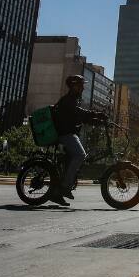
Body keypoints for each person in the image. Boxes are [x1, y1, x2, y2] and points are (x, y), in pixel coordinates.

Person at [51, 74, 106, 206]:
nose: (82, 88)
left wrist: (97, 121)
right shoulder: (69, 100)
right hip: (65, 134)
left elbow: (80, 117)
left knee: (72, 159)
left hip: (69, 133)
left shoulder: (73, 99)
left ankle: (57, 194)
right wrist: (95, 114)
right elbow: (79, 112)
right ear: (74, 86)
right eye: (80, 85)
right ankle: (65, 186)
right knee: (80, 155)